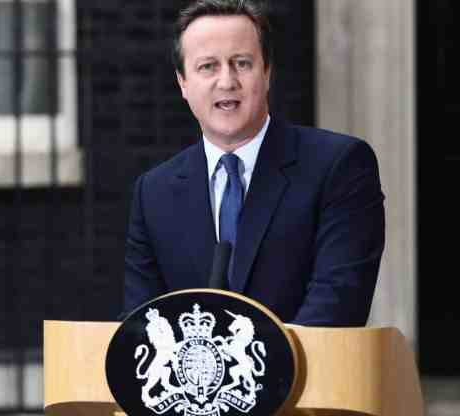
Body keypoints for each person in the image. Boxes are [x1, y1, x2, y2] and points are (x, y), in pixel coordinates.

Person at [122, 0, 385, 326]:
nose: (227, 81)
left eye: (242, 63)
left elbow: (337, 305)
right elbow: (143, 323)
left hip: (308, 374)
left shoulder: (339, 166)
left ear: (267, 72)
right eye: (208, 67)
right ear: (183, 83)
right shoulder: (153, 192)